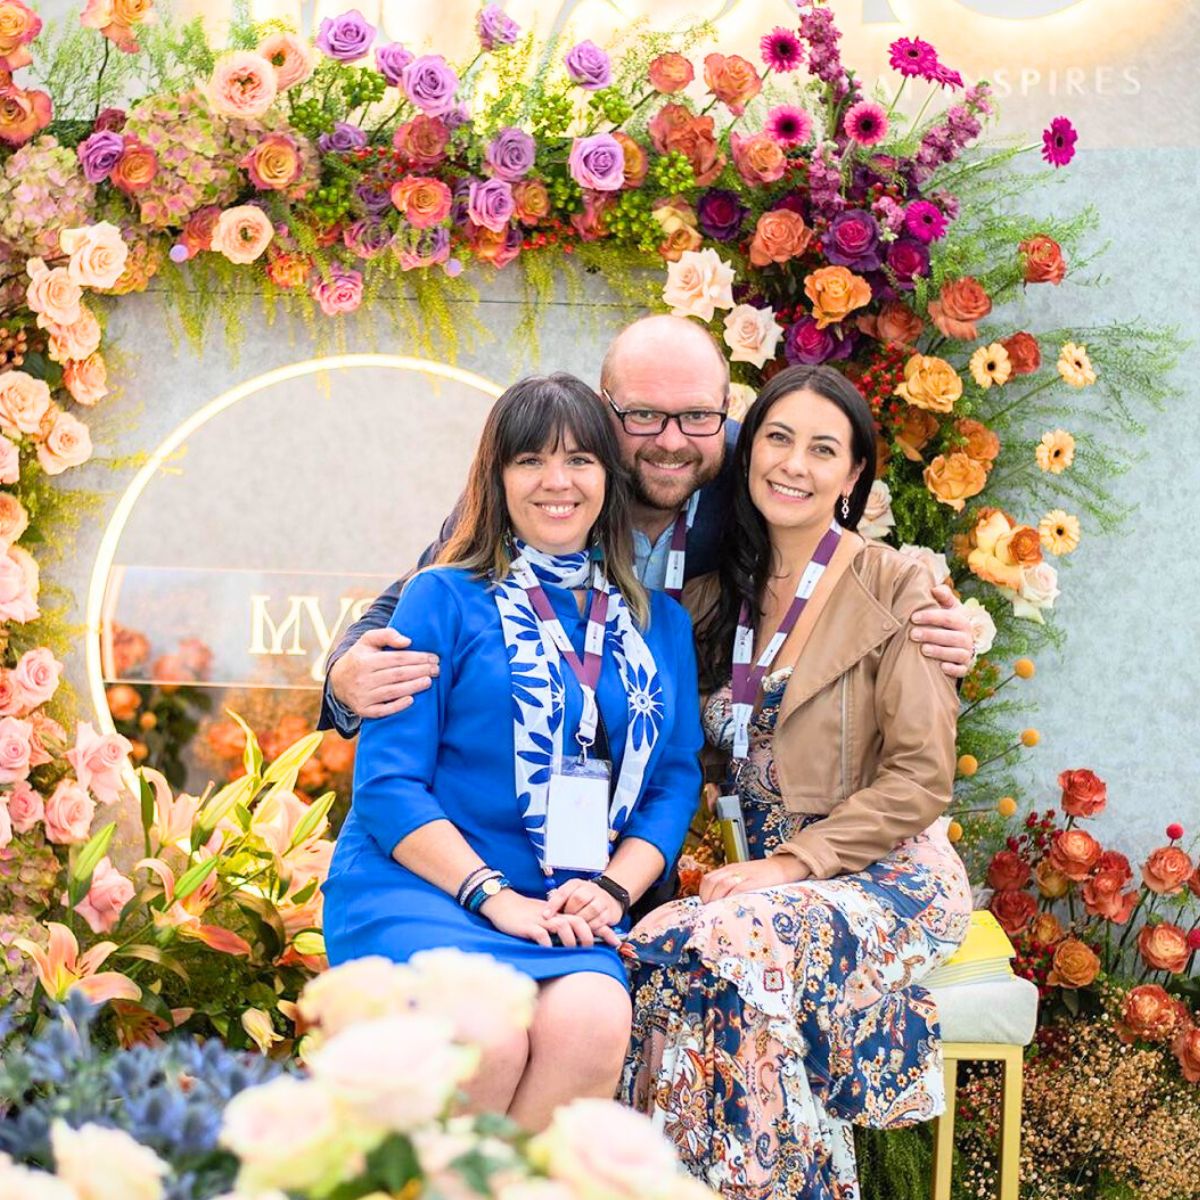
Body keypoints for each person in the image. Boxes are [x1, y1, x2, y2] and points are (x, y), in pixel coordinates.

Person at [619, 364, 973, 1199]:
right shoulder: (716, 598)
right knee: (659, 956)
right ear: (747, 456)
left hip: (885, 876)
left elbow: (922, 778)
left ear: (853, 476)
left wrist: (791, 866)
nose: (794, 463)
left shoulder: (899, 586)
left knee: (734, 946)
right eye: (777, 438)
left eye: (823, 449)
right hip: (761, 889)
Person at [322, 373, 703, 1133]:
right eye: (529, 460)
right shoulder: (442, 597)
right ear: (495, 480)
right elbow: (390, 788)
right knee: (484, 1040)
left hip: (564, 900)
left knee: (595, 1021)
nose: (556, 482)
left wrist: (615, 892)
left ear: (609, 477)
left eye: (579, 461)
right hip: (428, 887)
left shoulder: (659, 622)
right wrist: (495, 898)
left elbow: (673, 780)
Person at [318, 316, 975, 738]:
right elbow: (423, 584)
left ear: (725, 408)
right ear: (605, 411)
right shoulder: (553, 484)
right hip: (542, 760)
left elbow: (840, 571)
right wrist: (347, 675)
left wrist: (931, 635)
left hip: (688, 774)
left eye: (695, 417)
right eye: (642, 417)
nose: (670, 442)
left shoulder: (758, 472)